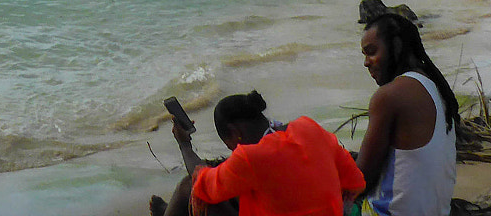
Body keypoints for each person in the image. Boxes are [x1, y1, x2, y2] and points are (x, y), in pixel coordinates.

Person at [151, 89, 364, 216]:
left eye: (230, 144)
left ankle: (171, 211)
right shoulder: (307, 127)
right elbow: (356, 181)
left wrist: (184, 145)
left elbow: (202, 180)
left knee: (188, 188)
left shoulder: (251, 157)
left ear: (235, 132)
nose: (233, 151)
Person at [356, 12, 458, 216]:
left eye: (371, 51)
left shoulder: (389, 96)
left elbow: (360, 181)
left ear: (396, 46)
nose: (366, 62)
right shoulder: (436, 88)